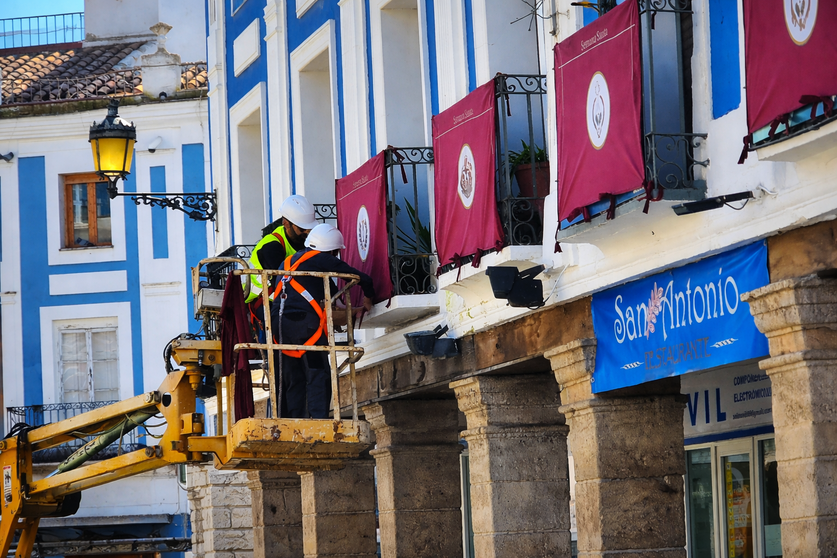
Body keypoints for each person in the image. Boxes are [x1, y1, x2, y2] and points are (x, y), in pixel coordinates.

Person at [270, 223, 375, 418]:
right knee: (318, 373)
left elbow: (336, 302)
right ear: (332, 250)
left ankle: (294, 422)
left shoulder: (287, 263)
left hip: (279, 326)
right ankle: (320, 419)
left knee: (294, 378)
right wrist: (368, 299)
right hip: (304, 326)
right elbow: (362, 278)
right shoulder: (322, 259)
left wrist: (353, 311)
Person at [245, 195, 320, 328]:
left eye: (310, 228)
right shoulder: (270, 246)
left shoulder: (305, 243)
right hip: (265, 302)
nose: (307, 232)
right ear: (286, 223)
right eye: (302, 228)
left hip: (288, 301)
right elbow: (281, 281)